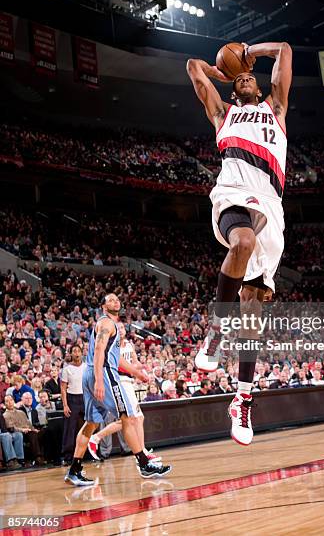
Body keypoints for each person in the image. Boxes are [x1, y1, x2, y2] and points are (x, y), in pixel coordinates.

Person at [187, 41, 292, 445]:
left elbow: (283, 51)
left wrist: (251, 51)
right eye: (242, 78)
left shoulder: (276, 110)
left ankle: (243, 398)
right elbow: (194, 66)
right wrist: (225, 69)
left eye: (252, 76)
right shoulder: (222, 114)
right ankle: (215, 330)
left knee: (252, 313)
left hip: (270, 205)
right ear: (235, 88)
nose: (248, 77)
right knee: (242, 241)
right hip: (232, 193)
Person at [64, 294, 171, 487]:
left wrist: (137, 374)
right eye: (111, 300)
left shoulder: (110, 327)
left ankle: (74, 470)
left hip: (93, 373)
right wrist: (99, 380)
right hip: (103, 373)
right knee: (128, 417)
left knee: (90, 423)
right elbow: (98, 351)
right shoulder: (106, 324)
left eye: (117, 300)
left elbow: (116, 358)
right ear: (103, 306)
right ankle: (144, 463)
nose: (116, 302)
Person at [86, 323, 162, 465]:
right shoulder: (112, 346)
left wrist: (143, 368)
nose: (120, 330)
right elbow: (119, 365)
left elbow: (135, 363)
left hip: (128, 381)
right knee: (132, 418)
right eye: (118, 328)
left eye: (122, 328)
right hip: (119, 381)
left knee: (135, 418)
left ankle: (141, 451)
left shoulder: (128, 345)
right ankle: (141, 452)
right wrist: (136, 371)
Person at [61, 344, 86, 465]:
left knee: (90, 425)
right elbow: (63, 388)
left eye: (78, 351)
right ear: (71, 354)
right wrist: (65, 405)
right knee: (70, 428)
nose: (76, 353)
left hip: (85, 397)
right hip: (72, 398)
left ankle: (91, 452)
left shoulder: (87, 367)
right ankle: (68, 455)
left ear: (82, 353)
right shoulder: (67, 369)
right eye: (74, 351)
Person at [3, 394, 45, 465]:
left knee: (40, 432)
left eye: (11, 400)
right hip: (18, 433)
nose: (10, 402)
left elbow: (28, 423)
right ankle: (34, 457)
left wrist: (33, 429)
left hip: (28, 431)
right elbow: (10, 427)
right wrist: (22, 430)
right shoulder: (5, 415)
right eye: (7, 401)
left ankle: (42, 457)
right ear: (5, 403)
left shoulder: (21, 412)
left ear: (14, 401)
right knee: (28, 435)